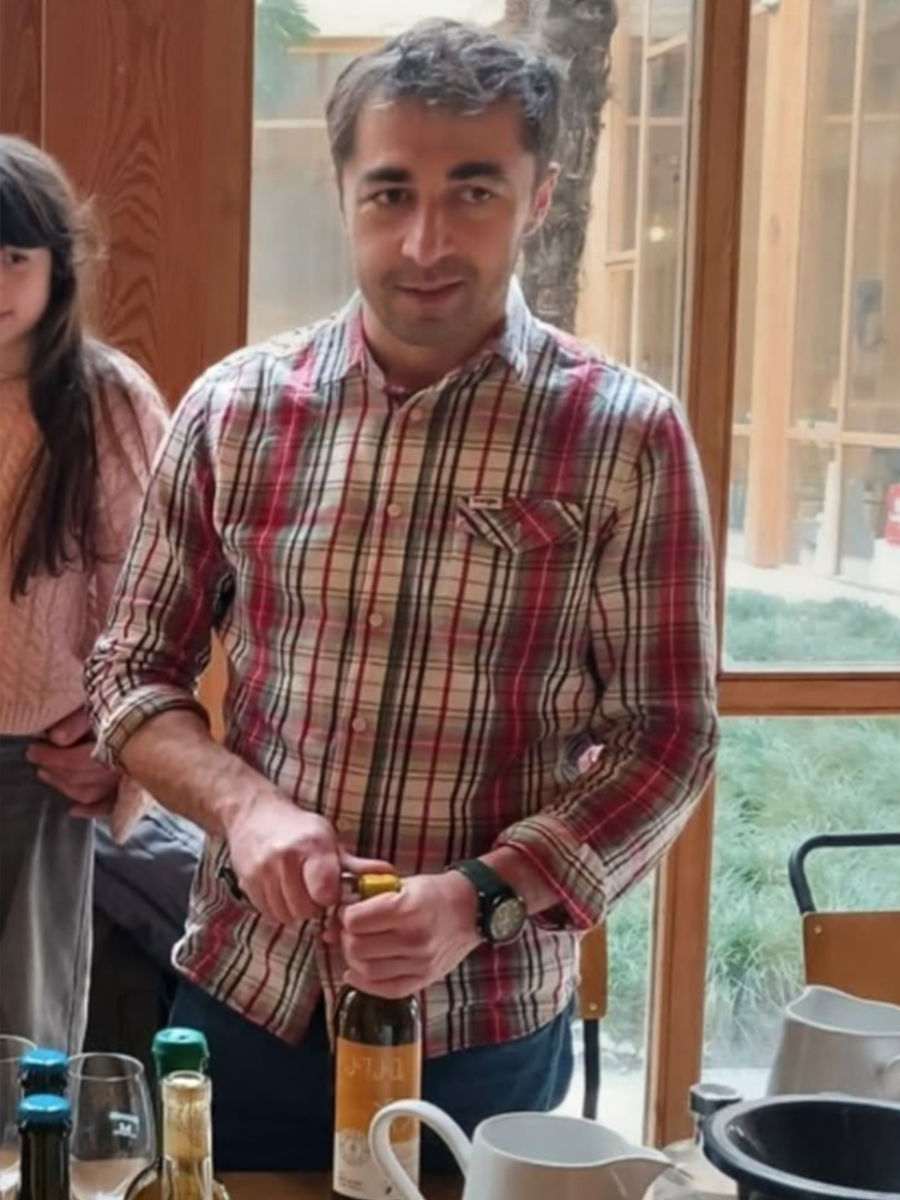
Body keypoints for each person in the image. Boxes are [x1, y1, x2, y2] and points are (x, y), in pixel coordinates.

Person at [85, 19, 718, 1170]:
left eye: (473, 191)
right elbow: (132, 670)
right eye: (390, 194)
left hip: (481, 1019)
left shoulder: (625, 435)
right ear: (343, 194)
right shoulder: (235, 409)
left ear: (537, 197)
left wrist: (479, 899)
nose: (425, 241)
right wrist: (244, 809)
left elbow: (667, 736)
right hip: (248, 990)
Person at [0, 135, 167, 1052]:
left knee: (25, 1021)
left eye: (13, 257)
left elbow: (151, 594)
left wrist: (120, 741)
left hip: (36, 758)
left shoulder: (106, 399)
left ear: (57, 265)